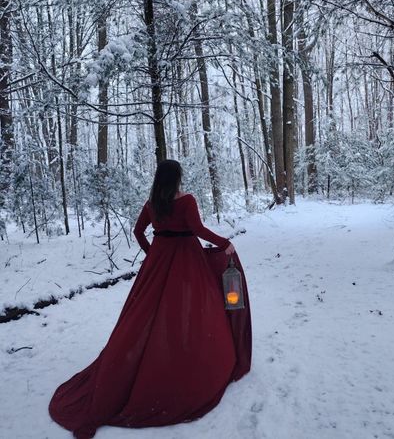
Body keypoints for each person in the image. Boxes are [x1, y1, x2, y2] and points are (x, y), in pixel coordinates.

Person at [49, 159, 251, 439]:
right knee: (192, 310)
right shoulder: (187, 201)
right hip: (187, 264)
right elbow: (198, 230)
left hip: (157, 265)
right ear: (177, 178)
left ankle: (156, 357)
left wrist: (153, 253)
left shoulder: (152, 203)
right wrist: (224, 243)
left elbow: (137, 232)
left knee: (147, 315)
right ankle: (185, 359)